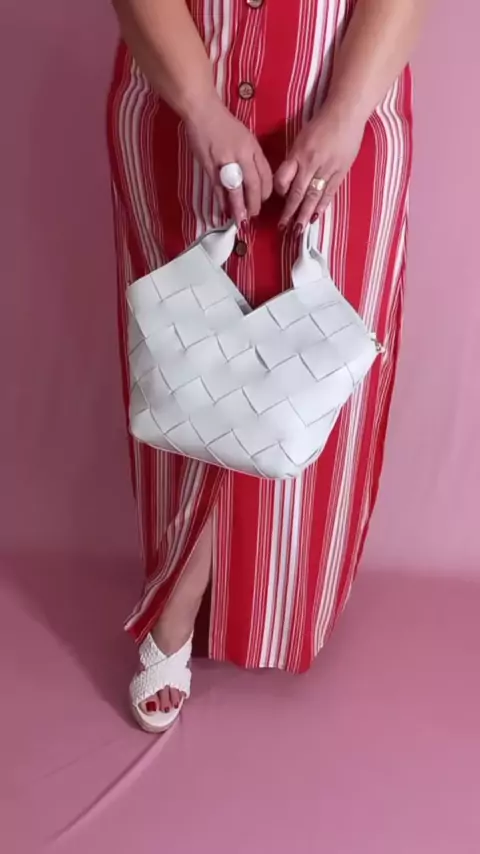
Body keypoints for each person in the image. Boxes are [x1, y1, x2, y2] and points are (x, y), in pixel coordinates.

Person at [107, 0, 426, 733]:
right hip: (180, 109)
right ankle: (177, 606)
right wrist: (200, 105)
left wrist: (346, 113)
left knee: (301, 376)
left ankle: (275, 601)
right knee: (190, 367)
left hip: (343, 116)